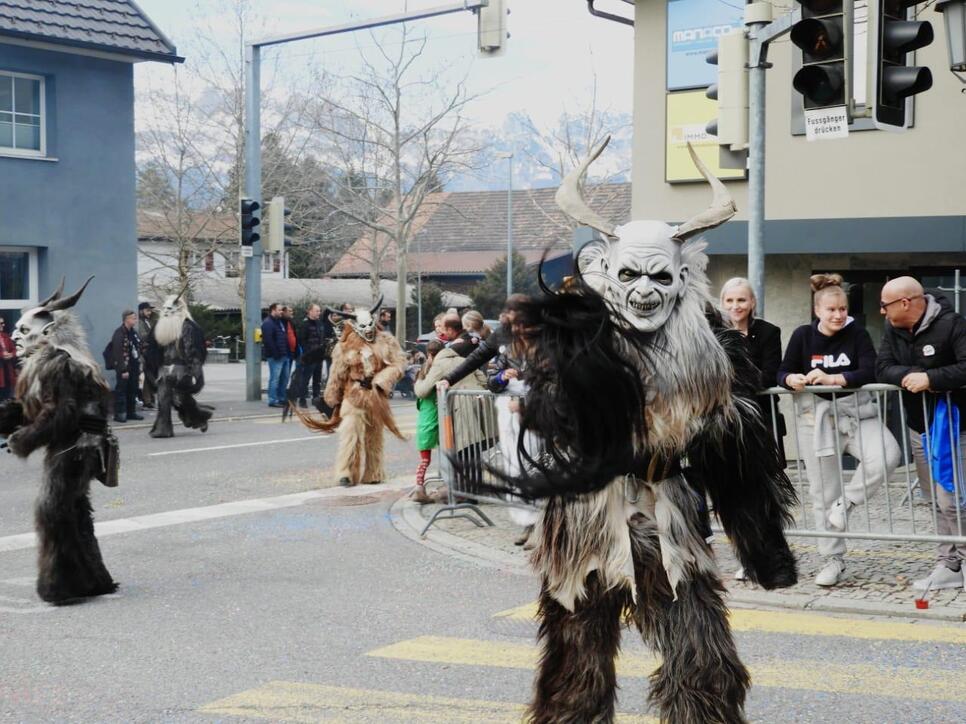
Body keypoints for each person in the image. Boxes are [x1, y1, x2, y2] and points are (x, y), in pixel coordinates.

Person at [0, 276, 119, 604]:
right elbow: (35, 408)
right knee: (74, 509)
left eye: (24, 331)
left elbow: (58, 413)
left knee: (52, 510)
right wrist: (12, 421)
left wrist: (24, 438)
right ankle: (93, 578)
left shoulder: (61, 363)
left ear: (48, 332)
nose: (15, 336)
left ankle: (62, 585)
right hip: (81, 447)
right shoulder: (57, 361)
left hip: (76, 448)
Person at [778, 273, 900, 587]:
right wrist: (791, 379)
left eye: (843, 309)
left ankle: (847, 503)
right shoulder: (803, 335)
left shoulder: (856, 333)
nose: (838, 315)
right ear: (818, 310)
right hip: (815, 420)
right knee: (823, 492)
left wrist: (834, 379)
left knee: (887, 455)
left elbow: (869, 368)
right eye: (831, 309)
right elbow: (784, 370)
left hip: (856, 412)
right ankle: (832, 559)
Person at [877, 276, 966, 592]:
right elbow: (882, 367)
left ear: (904, 303)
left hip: (955, 427)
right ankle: (949, 564)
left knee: (954, 499)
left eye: (885, 305)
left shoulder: (953, 324)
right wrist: (911, 376)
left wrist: (931, 379)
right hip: (920, 427)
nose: (882, 313)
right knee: (934, 500)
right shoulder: (893, 330)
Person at [487, 312, 540, 547]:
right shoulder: (505, 352)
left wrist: (524, 404)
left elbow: (551, 385)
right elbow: (491, 382)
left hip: (535, 419)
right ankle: (526, 524)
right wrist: (501, 377)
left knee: (534, 468)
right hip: (508, 417)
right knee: (514, 469)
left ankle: (540, 526)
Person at [719, 277, 786, 462]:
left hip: (761, 414)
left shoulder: (769, 332)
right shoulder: (712, 334)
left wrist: (732, 384)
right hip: (722, 418)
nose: (735, 306)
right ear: (722, 303)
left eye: (741, 300)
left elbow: (770, 375)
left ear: (752, 302)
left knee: (765, 476)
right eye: (729, 300)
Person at [437, 294, 531, 390]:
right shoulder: (502, 333)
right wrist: (449, 379)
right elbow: (476, 357)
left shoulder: (543, 335)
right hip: (514, 395)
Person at [411, 340, 445, 503]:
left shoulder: (422, 372)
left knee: (425, 459)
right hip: (435, 419)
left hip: (425, 420)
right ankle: (421, 489)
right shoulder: (437, 371)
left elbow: (419, 402)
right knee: (446, 454)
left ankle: (419, 487)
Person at [110, 309, 143, 423]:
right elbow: (118, 353)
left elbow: (139, 345)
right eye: (133, 318)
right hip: (124, 367)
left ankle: (131, 412)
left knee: (132, 390)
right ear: (126, 319)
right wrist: (123, 369)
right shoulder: (119, 333)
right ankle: (119, 414)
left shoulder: (133, 332)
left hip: (134, 366)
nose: (135, 320)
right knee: (121, 390)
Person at [296, 303, 325, 408]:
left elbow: (321, 338)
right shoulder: (304, 324)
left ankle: (316, 399)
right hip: (310, 356)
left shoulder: (319, 323)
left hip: (319, 356)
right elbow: (301, 340)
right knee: (306, 378)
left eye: (319, 311)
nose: (319, 313)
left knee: (317, 379)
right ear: (310, 311)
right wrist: (308, 352)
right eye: (317, 311)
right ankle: (302, 399)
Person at [261, 303, 288, 408]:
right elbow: (268, 341)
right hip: (275, 356)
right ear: (273, 310)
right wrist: (276, 354)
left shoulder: (278, 322)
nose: (281, 312)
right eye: (280, 310)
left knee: (284, 378)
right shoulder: (268, 323)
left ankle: (281, 398)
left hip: (283, 355)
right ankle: (272, 400)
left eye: (282, 310)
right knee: (275, 378)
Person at [137, 301, 157, 409]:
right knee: (148, 377)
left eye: (150, 310)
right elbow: (143, 336)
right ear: (141, 311)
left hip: (150, 352)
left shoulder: (147, 321)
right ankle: (147, 400)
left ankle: (149, 399)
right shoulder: (140, 322)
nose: (149, 312)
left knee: (150, 377)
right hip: (144, 353)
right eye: (147, 310)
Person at [0, 317, 16, 400]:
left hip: (7, 368)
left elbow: (14, 349)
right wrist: (2, 355)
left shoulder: (6, 336)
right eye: (1, 323)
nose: (3, 325)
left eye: (3, 323)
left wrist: (11, 355)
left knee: (7, 390)